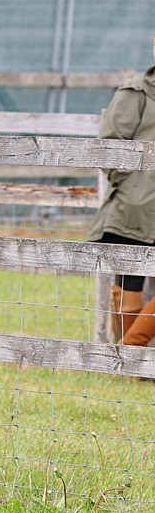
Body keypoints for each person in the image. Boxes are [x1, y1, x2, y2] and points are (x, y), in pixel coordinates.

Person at [88, 33, 155, 347]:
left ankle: (128, 351)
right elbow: (110, 146)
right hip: (135, 207)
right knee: (129, 282)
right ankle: (132, 359)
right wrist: (136, 186)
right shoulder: (136, 92)